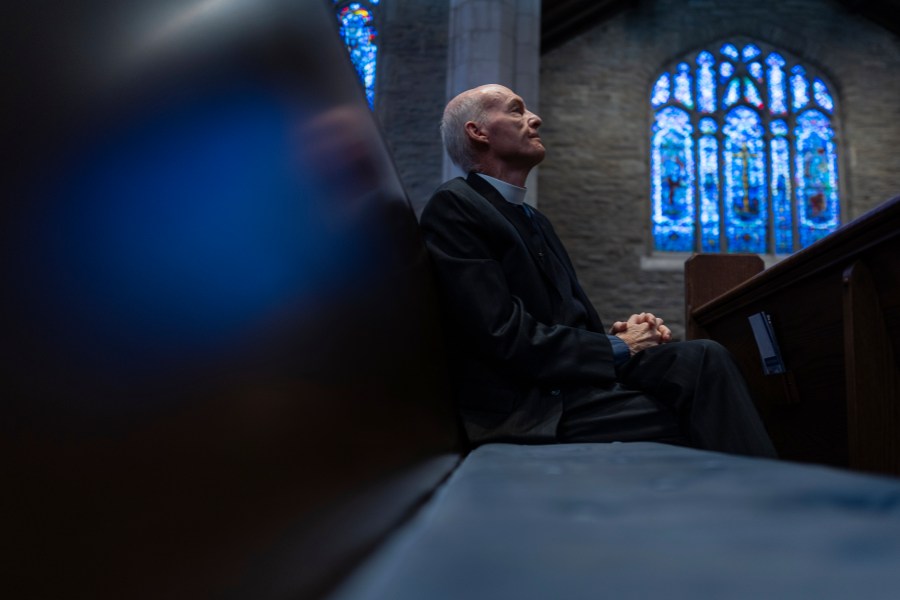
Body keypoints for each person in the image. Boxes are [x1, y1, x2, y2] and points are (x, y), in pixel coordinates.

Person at [419, 84, 776, 457]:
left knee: (704, 357)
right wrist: (618, 347)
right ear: (477, 132)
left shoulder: (534, 219)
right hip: (531, 407)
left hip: (573, 384)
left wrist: (622, 335)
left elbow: (563, 322)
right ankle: (766, 503)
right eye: (515, 110)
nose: (534, 119)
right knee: (704, 410)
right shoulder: (456, 206)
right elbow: (501, 335)